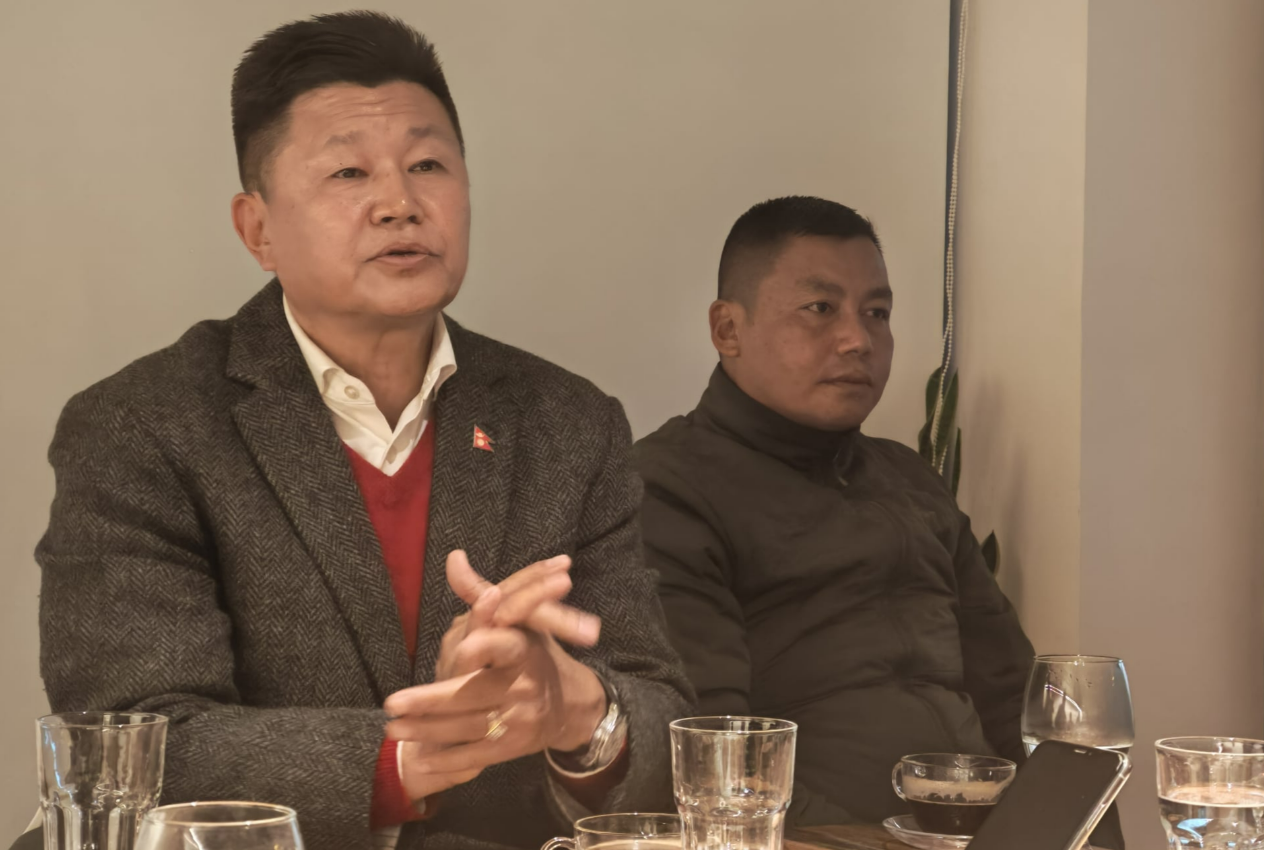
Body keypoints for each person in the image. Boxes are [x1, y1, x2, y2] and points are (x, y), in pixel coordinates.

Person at [36, 13, 691, 850]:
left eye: (428, 166)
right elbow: (133, 747)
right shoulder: (142, 426)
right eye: (349, 172)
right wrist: (414, 752)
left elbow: (663, 725)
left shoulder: (569, 423)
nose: (399, 204)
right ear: (258, 229)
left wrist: (577, 711)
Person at [634, 196, 1038, 827]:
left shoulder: (910, 479)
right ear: (728, 330)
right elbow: (714, 756)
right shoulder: (667, 487)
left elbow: (1017, 698)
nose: (858, 340)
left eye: (877, 313)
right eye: (820, 309)